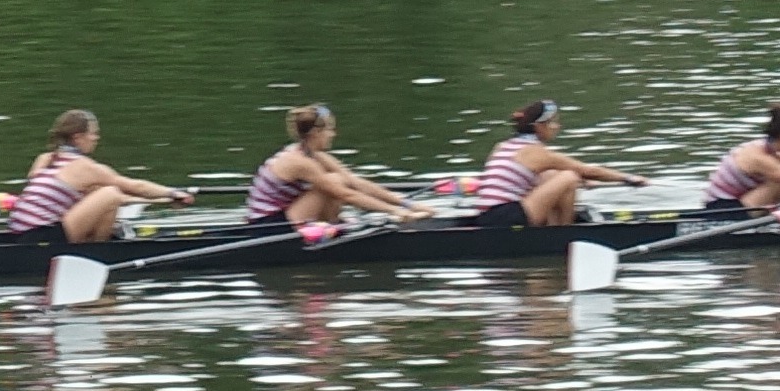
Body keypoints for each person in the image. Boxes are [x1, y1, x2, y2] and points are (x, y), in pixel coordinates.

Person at [6, 110, 195, 244]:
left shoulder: (46, 159)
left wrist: (162, 200)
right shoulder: (84, 167)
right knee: (111, 194)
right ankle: (98, 250)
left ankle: (97, 241)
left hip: (19, 234)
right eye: (93, 134)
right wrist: (172, 193)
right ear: (78, 137)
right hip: (43, 237)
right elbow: (134, 186)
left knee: (100, 194)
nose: (96, 138)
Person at [244, 105, 433, 227]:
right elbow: (346, 195)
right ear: (316, 133)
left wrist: (409, 204)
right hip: (268, 226)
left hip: (286, 214)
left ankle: (333, 224)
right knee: (334, 183)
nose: (333, 134)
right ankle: (332, 226)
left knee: (340, 179)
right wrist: (397, 212)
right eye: (330, 130)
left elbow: (355, 183)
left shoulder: (314, 155)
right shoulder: (300, 162)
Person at [472, 99, 648, 228]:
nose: (557, 126)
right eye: (553, 122)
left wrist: (583, 181)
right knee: (569, 177)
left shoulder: (502, 146)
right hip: (508, 217)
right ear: (539, 126)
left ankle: (553, 226)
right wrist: (628, 178)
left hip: (486, 217)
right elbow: (586, 170)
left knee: (552, 175)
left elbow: (524, 178)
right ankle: (562, 233)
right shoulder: (536, 152)